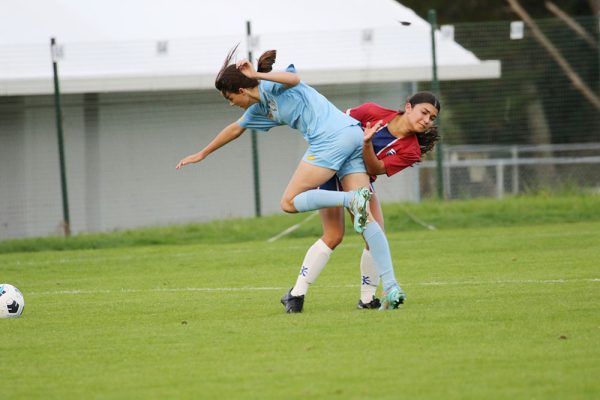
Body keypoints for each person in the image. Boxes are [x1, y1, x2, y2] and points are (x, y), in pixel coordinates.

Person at [176, 46, 406, 312]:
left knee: (289, 202)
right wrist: (203, 153)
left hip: (330, 140)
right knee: (366, 219)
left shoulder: (272, 86)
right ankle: (391, 287)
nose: (231, 104)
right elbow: (235, 129)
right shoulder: (258, 110)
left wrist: (260, 75)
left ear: (241, 90)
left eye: (229, 98)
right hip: (352, 136)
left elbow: (294, 79)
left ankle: (351, 199)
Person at [287, 92, 440, 310]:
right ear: (408, 107)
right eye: (424, 112)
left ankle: (368, 298)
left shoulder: (411, 150)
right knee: (333, 235)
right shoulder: (372, 112)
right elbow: (335, 124)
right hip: (330, 170)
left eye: (432, 118)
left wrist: (366, 143)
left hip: (359, 178)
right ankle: (296, 294)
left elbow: (374, 168)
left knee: (375, 234)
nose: (427, 120)